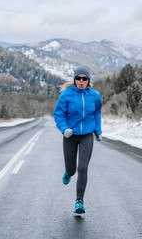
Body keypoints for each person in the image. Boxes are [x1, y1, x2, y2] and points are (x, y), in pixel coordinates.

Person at [53, 66, 102, 215]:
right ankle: (68, 172)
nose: (81, 81)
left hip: (87, 135)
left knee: (83, 168)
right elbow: (58, 115)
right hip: (70, 135)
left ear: (88, 80)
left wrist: (98, 131)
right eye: (78, 78)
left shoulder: (95, 95)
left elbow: (97, 113)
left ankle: (79, 201)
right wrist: (64, 129)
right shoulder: (66, 95)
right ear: (74, 80)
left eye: (84, 78)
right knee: (72, 169)